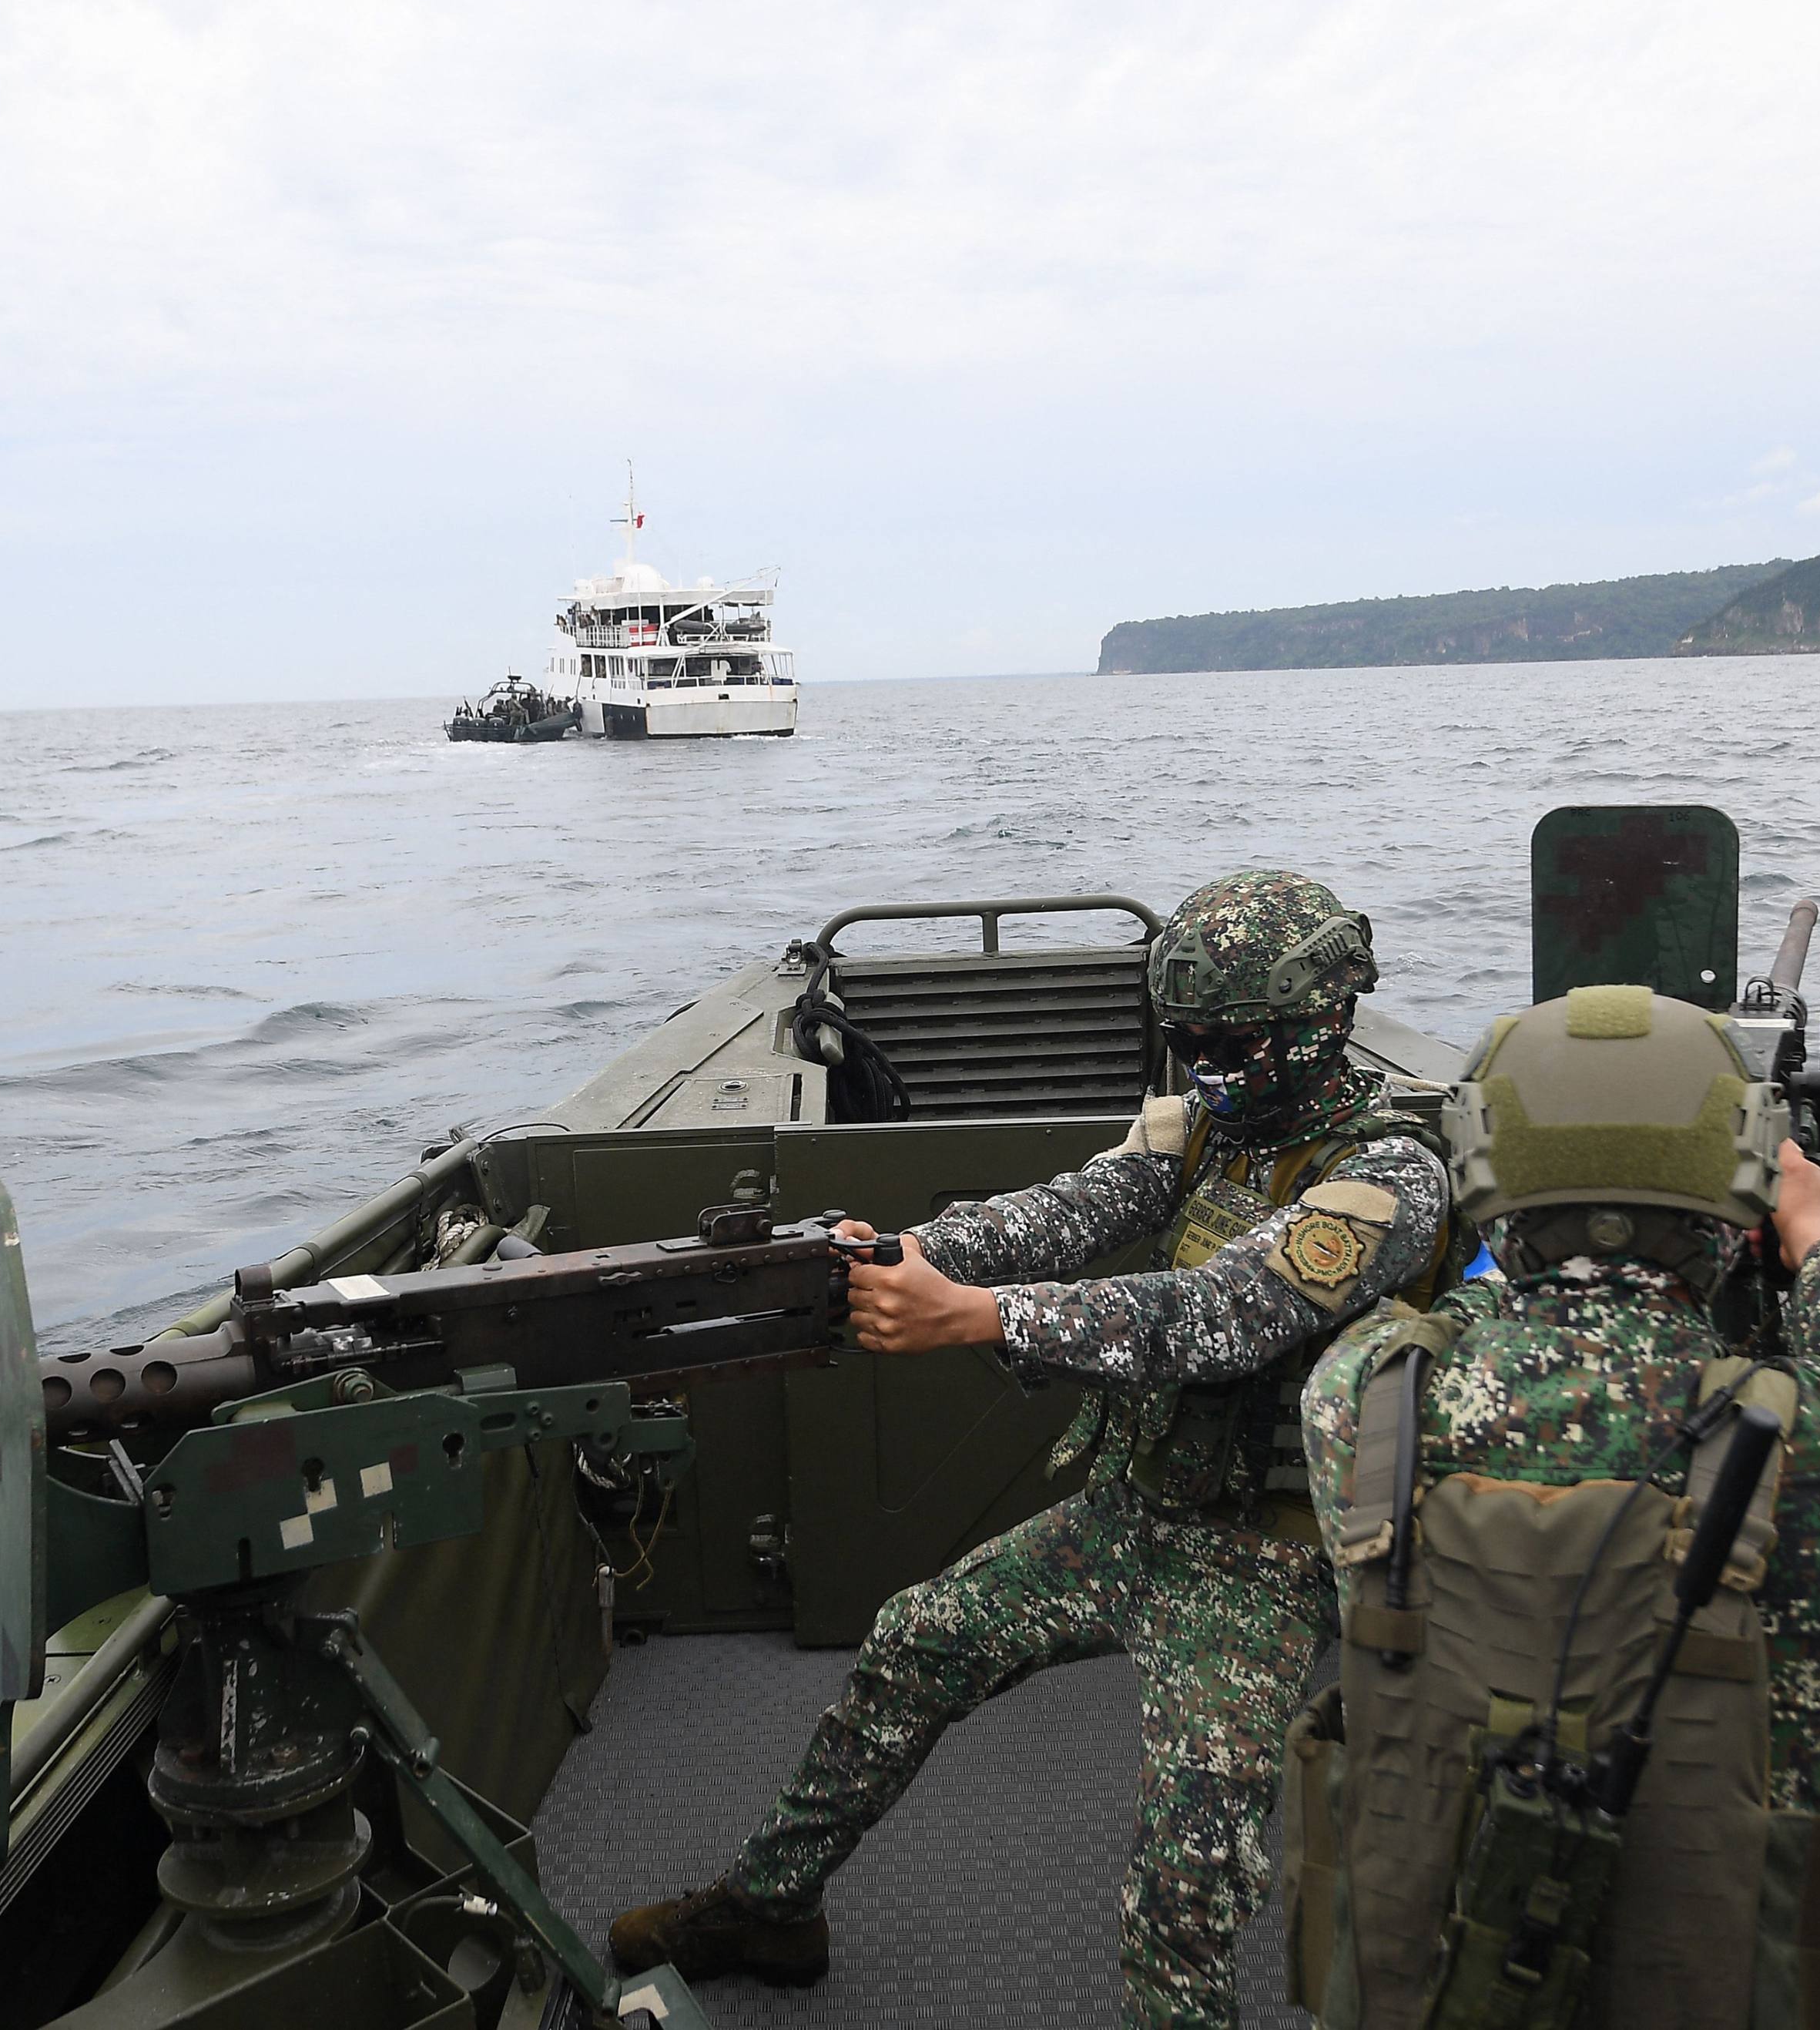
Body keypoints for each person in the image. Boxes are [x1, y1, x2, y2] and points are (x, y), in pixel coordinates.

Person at [609, 869, 1453, 2030]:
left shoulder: (1391, 1177)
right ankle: (771, 1907)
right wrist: (916, 1248)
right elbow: (1074, 1206)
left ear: (1327, 1022)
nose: (1206, 1068)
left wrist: (983, 1316)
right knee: (913, 1643)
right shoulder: (1211, 1123)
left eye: (1232, 1046)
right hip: (1136, 1511)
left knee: (1183, 1887)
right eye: (1188, 1041)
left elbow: (1219, 1315)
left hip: (1261, 1564)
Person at [1293, 985, 1820, 2030]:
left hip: (1432, 1988)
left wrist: (1505, 1257)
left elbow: (1460, 1308)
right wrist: (1817, 1246)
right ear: (1736, 1195)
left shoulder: (1363, 1399)